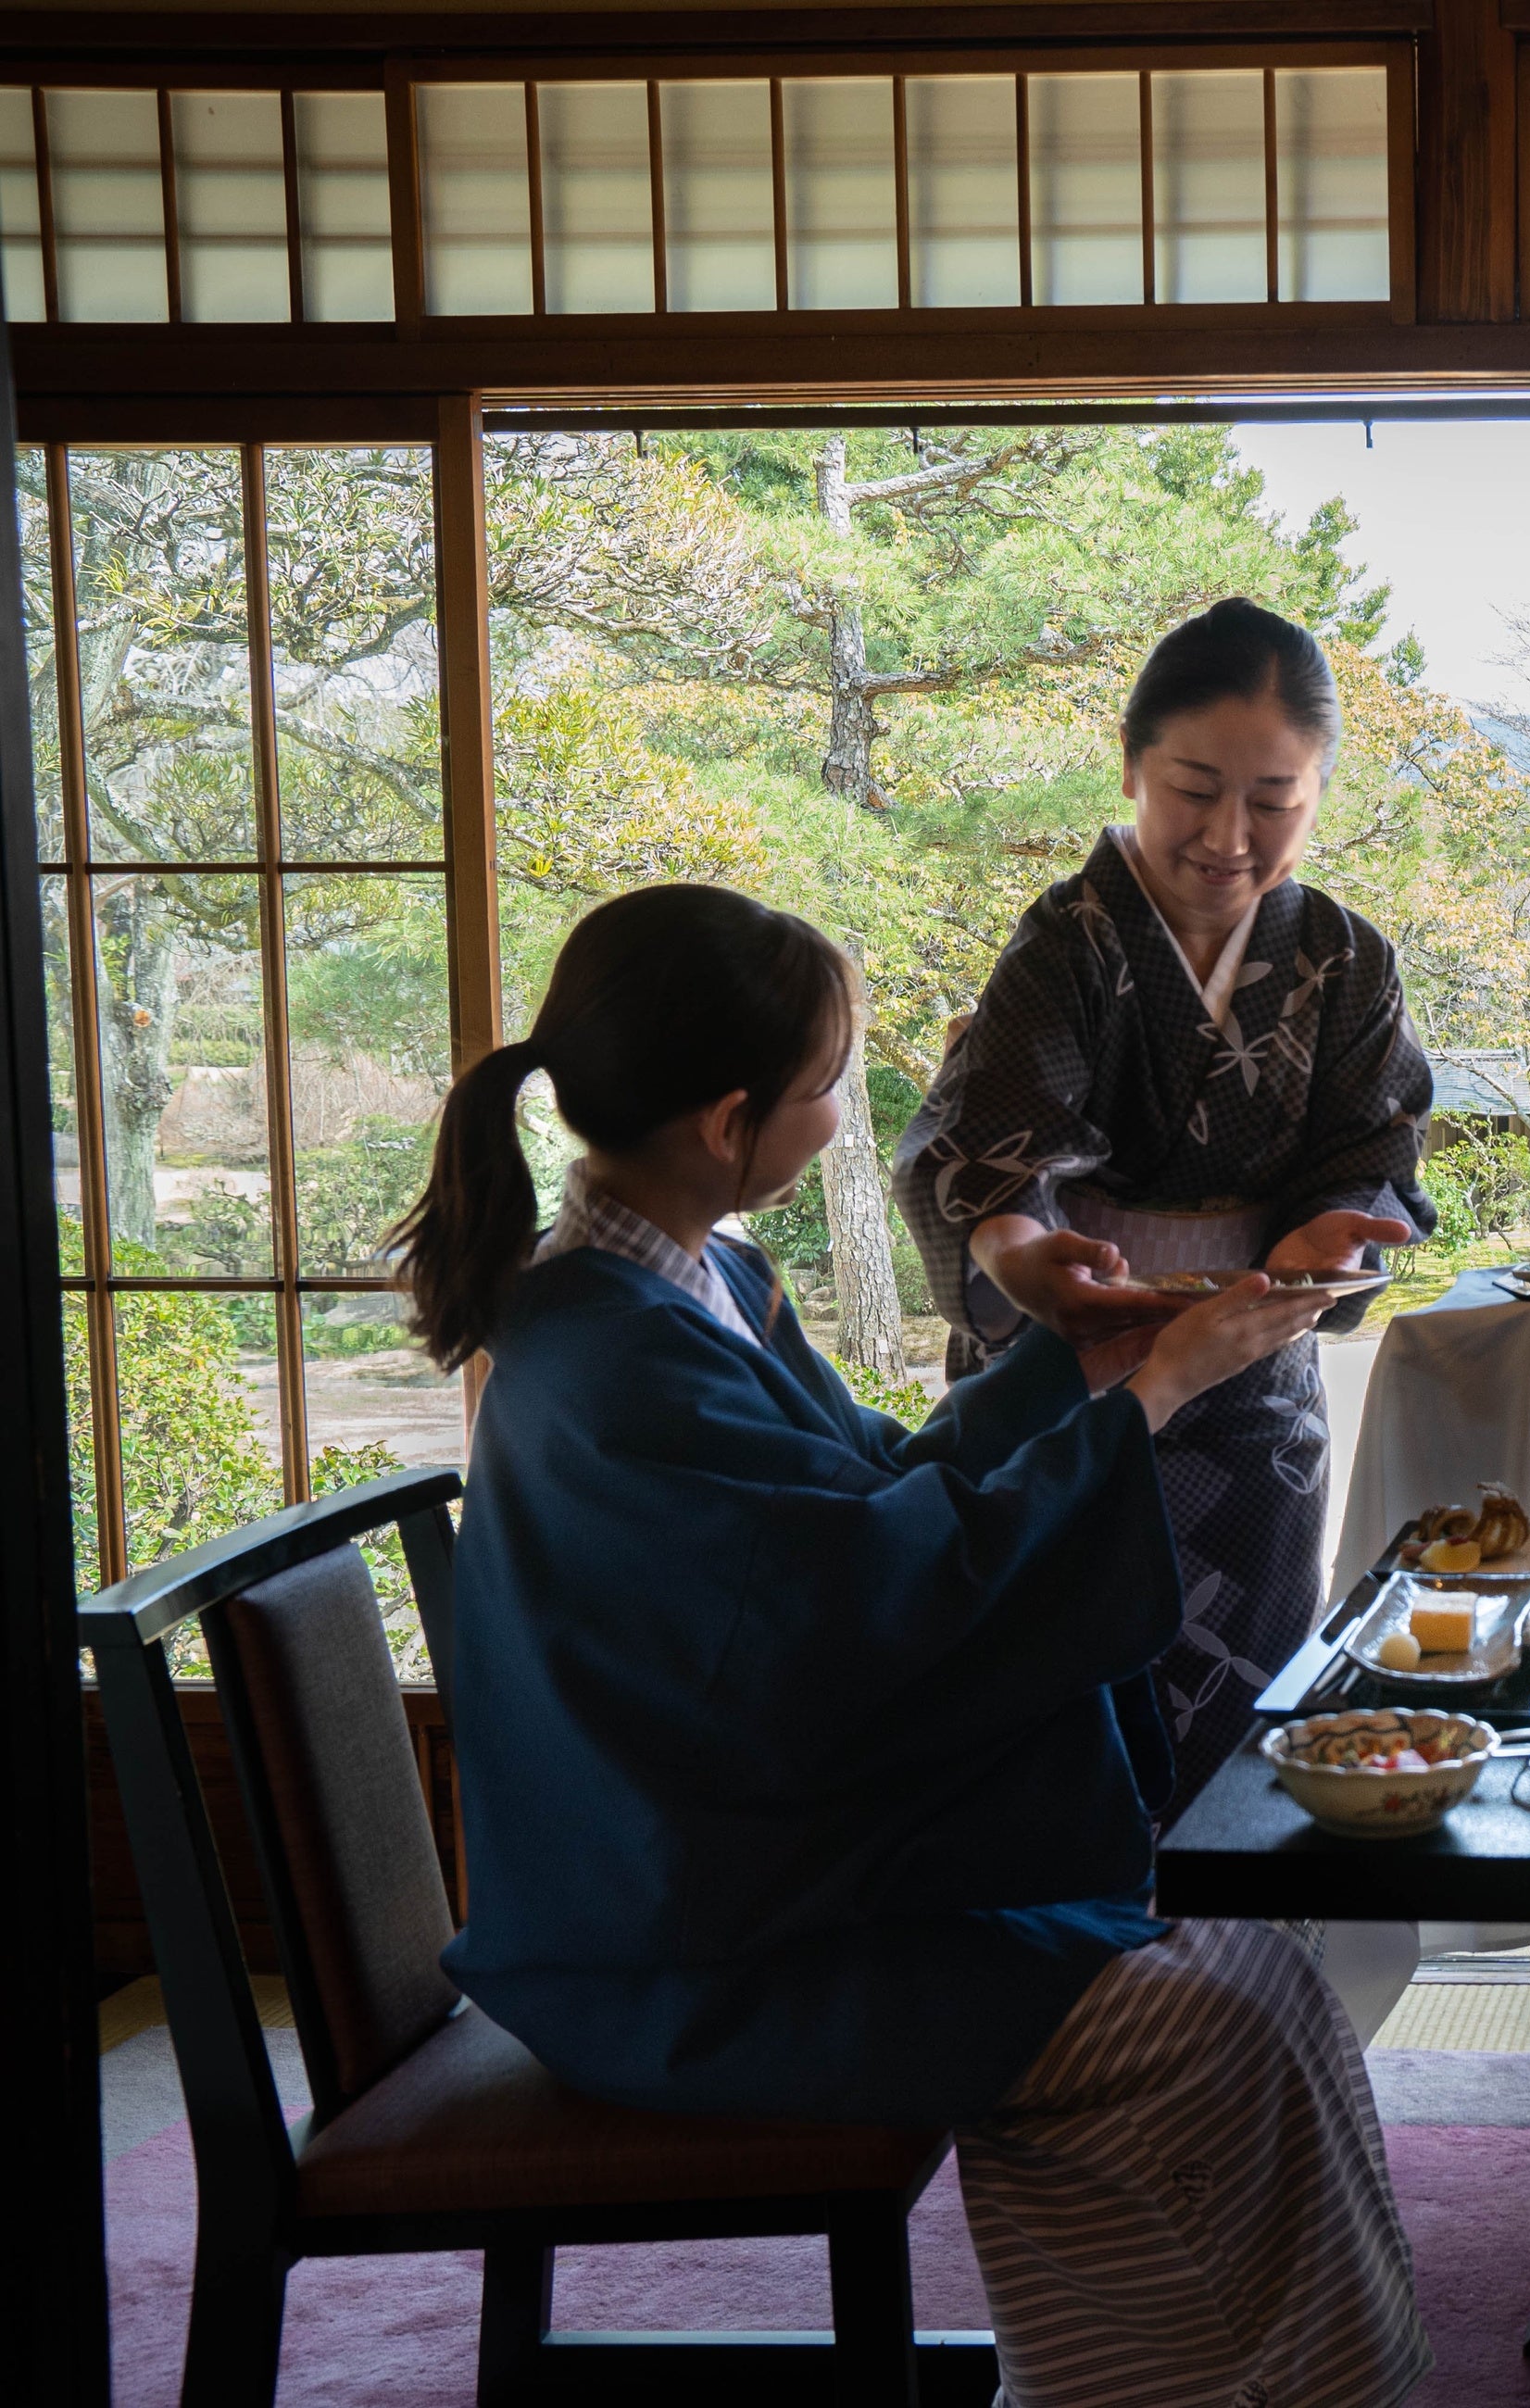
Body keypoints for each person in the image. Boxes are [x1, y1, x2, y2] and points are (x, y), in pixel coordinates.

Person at [401, 884, 1429, 2408]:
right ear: (730, 1122)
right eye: (828, 1088)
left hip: (745, 1869)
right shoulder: (617, 1357)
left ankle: (1299, 2384)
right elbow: (875, 1592)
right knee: (1193, 2029)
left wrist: (1084, 1357)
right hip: (695, 1943)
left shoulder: (689, 1286)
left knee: (1255, 1975)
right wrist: (1156, 1395)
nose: (845, 1117)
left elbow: (874, 1494)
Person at [901, 597, 1433, 1820]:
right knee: (1056, 1701)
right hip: (1069, 1372)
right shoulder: (1069, 941)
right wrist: (1018, 1248)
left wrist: (1329, 1231)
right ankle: (1071, 1987)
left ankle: (1223, 1983)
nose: (1229, 835)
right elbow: (992, 1145)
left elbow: (1373, 1147)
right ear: (1133, 762)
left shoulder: (1347, 960)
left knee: (1239, 1726)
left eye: (1274, 800)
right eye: (1194, 787)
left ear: (1319, 795)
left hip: (1250, 1373)